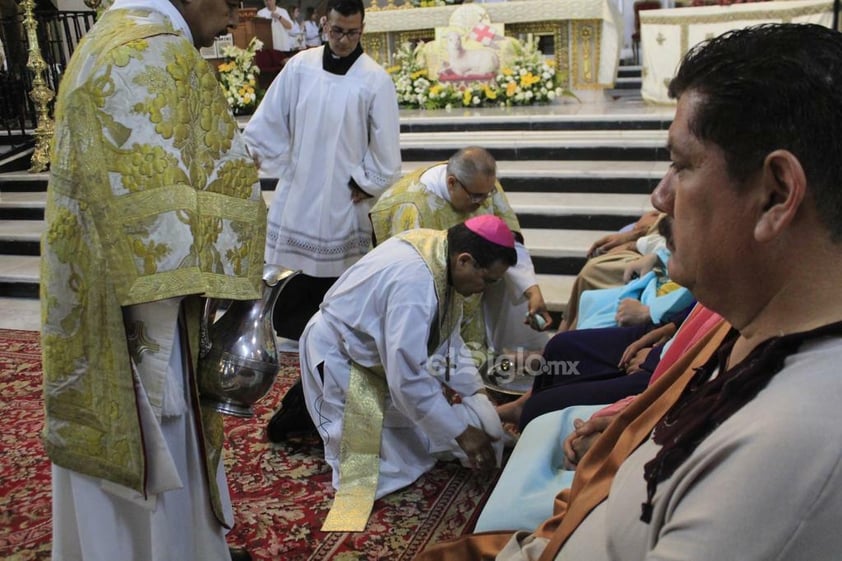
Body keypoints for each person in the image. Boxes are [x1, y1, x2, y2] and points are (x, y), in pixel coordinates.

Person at [415, 23, 842, 560]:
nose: (659, 199)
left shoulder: (789, 458)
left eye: (682, 166)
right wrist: (630, 425)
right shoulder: (756, 322)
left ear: (776, 194)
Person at [40, 0, 267, 559]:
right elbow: (183, 198)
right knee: (157, 439)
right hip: (146, 305)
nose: (240, 10)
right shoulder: (157, 47)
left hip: (89, 283)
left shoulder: (106, 35)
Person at [300, 216, 517, 531]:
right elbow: (409, 377)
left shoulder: (441, 252)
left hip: (378, 357)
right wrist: (462, 432)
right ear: (466, 260)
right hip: (344, 356)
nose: (485, 289)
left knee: (421, 443)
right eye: (489, 280)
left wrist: (476, 392)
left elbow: (448, 342)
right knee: (380, 471)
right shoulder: (415, 283)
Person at [243, 0, 401, 343]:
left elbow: (387, 143)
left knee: (336, 273)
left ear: (362, 29)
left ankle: (328, 336)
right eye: (337, 31)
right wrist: (254, 149)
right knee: (292, 267)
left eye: (352, 33)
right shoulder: (301, 66)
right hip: (300, 184)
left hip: (343, 192)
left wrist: (369, 181)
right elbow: (273, 113)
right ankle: (286, 329)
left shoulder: (374, 79)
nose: (344, 40)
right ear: (324, 24)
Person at [369, 146, 553, 360]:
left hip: (468, 301)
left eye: (488, 195)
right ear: (452, 183)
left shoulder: (482, 186)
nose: (482, 203)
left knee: (470, 368)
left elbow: (507, 243)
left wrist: (532, 290)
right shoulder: (411, 207)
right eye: (476, 197)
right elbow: (411, 279)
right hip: (426, 306)